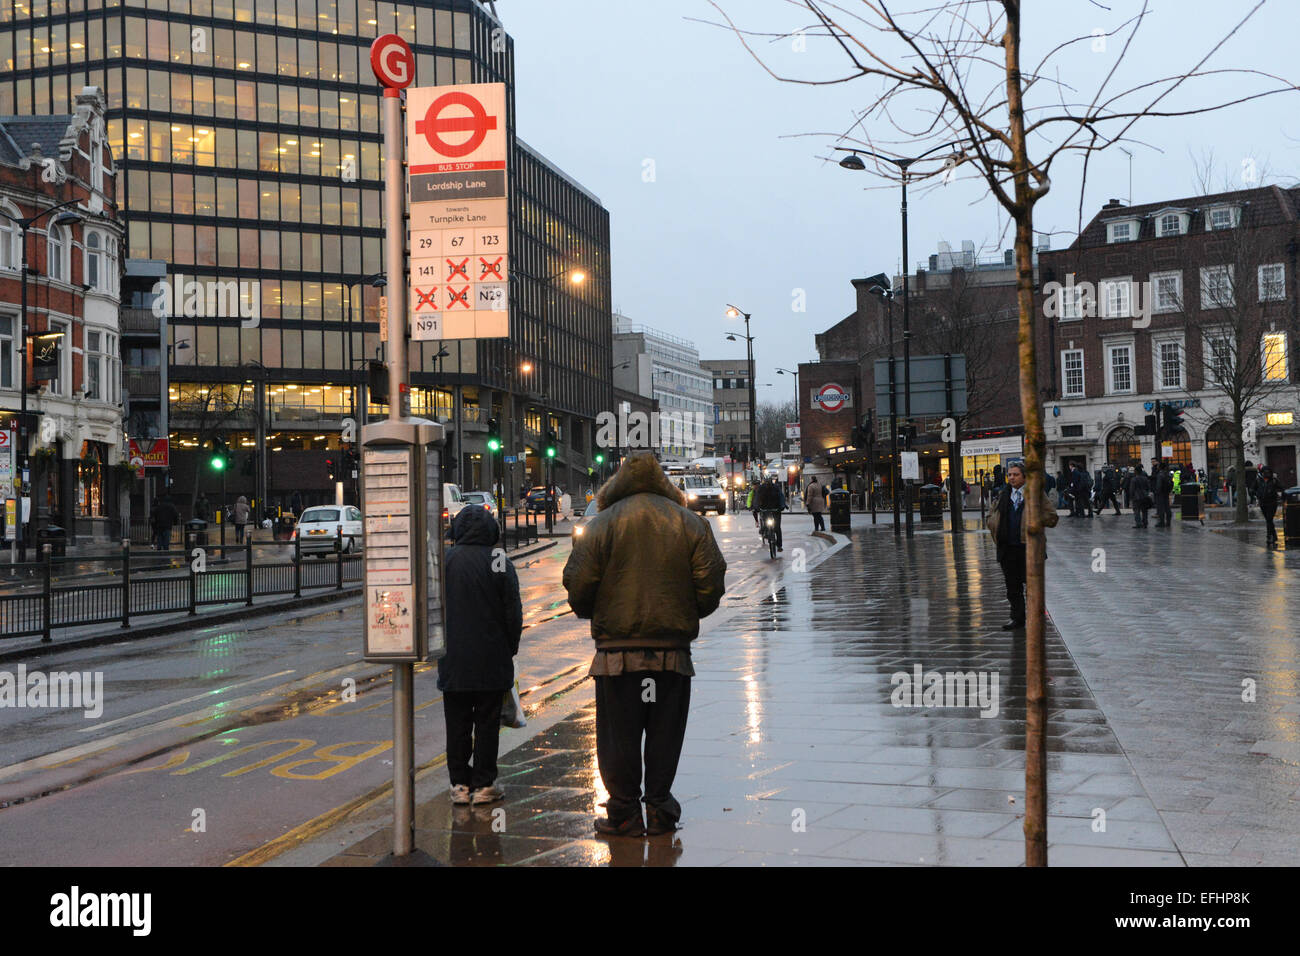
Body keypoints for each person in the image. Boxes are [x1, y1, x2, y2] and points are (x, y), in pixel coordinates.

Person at [562, 451, 727, 836]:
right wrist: (681, 614)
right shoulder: (690, 524)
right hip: (671, 656)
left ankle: (624, 813)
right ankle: (660, 808)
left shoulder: (601, 525)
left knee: (618, 736)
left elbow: (578, 585)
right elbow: (711, 584)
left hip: (617, 658)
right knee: (664, 735)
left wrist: (596, 614)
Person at [439, 504, 523, 806]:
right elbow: (513, 613)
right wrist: (509, 649)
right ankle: (484, 784)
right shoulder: (499, 560)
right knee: (487, 723)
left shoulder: (446, 562)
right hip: (492, 659)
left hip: (453, 660)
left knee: (457, 723)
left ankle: (459, 784)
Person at [985, 462, 1059, 631]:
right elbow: (991, 514)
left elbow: (1052, 517)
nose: (1011, 477)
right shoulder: (1003, 494)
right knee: (1012, 587)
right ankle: (1017, 618)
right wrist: (992, 523)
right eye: (1010, 474)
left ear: (1025, 477)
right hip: (1007, 548)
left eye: (1016, 474)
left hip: (1030, 549)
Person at [755, 475, 786, 551]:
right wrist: (757, 507)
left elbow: (781, 496)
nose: (768, 484)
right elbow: (757, 498)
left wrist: (782, 506)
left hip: (776, 509)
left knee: (777, 527)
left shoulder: (776, 487)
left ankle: (779, 546)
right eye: (766, 482)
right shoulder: (761, 488)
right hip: (765, 509)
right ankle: (765, 531)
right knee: (765, 522)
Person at [1257, 465, 1281, 546]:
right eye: (1265, 472)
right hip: (1263, 503)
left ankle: (1269, 536)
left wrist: (1279, 494)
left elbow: (1281, 488)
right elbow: (1253, 488)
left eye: (1268, 472)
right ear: (1262, 473)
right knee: (1268, 520)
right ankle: (1274, 535)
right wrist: (1256, 494)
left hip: (1272, 503)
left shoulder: (1274, 480)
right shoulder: (1258, 480)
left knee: (1269, 519)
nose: (1267, 474)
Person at [1130, 463, 1152, 528]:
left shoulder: (1134, 479)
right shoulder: (1145, 478)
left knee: (1136, 511)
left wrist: (1131, 497)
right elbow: (1148, 487)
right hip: (1144, 496)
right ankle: (1145, 522)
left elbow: (1132, 489)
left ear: (1136, 471)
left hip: (1136, 497)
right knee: (1144, 510)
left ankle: (1138, 523)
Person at [1153, 460, 1174, 527]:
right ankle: (1168, 522)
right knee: (1167, 507)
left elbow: (1159, 485)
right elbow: (1172, 483)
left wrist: (1157, 492)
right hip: (1166, 492)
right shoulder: (1167, 474)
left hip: (1161, 493)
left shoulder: (1160, 475)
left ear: (1160, 467)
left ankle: (1161, 522)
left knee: (1161, 508)